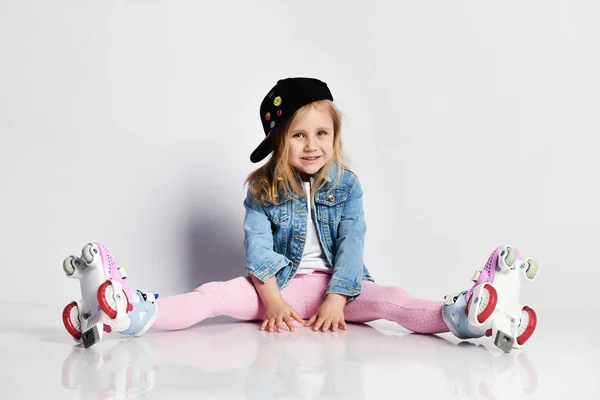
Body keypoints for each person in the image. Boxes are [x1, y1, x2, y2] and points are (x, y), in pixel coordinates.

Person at [62, 77, 534, 346]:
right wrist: (270, 300)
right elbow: (258, 247)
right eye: (298, 135)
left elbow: (352, 242)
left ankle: (468, 316)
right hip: (276, 288)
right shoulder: (262, 189)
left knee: (396, 301)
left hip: (342, 291)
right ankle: (129, 313)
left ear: (335, 137)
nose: (311, 146)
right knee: (211, 296)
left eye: (321, 134)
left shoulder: (347, 186)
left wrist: (337, 298)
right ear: (279, 142)